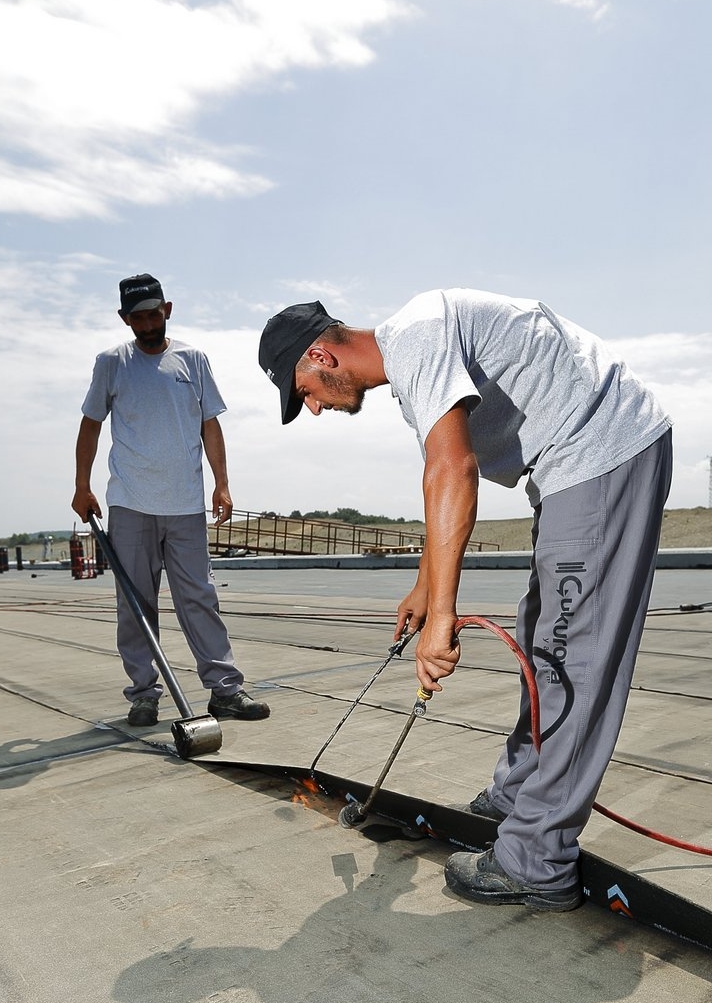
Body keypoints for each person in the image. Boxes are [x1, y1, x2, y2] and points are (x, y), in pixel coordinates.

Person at [258, 290, 672, 911]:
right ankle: (519, 795)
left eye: (305, 393)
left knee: (572, 656)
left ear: (320, 356)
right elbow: (443, 481)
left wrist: (442, 621)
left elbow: (453, 469)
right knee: (545, 640)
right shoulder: (415, 360)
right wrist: (425, 589)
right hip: (573, 465)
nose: (314, 407)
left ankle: (536, 859)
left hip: (602, 451)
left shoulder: (418, 336)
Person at [72, 273, 269, 728]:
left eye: (153, 315)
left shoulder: (193, 360)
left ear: (168, 310)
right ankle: (144, 695)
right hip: (131, 503)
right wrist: (82, 485)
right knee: (135, 605)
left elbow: (210, 424)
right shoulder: (112, 363)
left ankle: (225, 690)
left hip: (185, 504)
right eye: (137, 318)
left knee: (199, 598)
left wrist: (222, 483)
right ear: (124, 319)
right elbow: (90, 425)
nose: (147, 325)